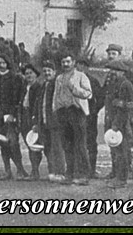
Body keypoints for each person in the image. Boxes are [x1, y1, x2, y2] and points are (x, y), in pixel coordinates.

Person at [52, 54, 93, 185]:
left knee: (80, 144)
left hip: (77, 112)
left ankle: (84, 174)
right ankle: (70, 173)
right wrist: (56, 109)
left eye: (68, 61)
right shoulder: (59, 78)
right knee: (67, 145)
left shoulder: (81, 76)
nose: (65, 64)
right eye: (63, 61)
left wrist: (74, 89)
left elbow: (88, 93)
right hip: (63, 113)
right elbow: (56, 95)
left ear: (73, 62)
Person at [0, 54, 27, 180]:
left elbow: (17, 98)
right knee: (2, 143)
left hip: (10, 116)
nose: (0, 65)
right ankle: (7, 171)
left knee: (13, 142)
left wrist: (13, 114)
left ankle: (20, 169)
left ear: (7, 63)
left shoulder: (14, 78)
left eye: (3, 63)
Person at [102, 61, 133, 189]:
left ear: (121, 72)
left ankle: (122, 178)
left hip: (122, 123)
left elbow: (126, 108)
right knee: (116, 150)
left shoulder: (125, 85)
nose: (112, 72)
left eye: (114, 70)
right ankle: (117, 175)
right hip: (114, 120)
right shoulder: (113, 84)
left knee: (123, 151)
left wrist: (117, 124)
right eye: (111, 70)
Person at [39, 61, 66, 183]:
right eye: (44, 71)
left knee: (57, 147)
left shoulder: (57, 84)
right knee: (47, 147)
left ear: (54, 72)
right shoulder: (43, 85)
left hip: (55, 122)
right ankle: (52, 171)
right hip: (44, 121)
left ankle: (60, 172)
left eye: (49, 71)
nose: (47, 73)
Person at [80, 59, 105, 179]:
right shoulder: (73, 80)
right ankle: (80, 169)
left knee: (91, 142)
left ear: (87, 67)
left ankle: (92, 169)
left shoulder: (93, 81)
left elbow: (101, 98)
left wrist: (94, 110)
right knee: (78, 141)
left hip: (90, 116)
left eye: (83, 66)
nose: (80, 69)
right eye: (78, 66)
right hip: (77, 116)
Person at [19, 64, 44, 180]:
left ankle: (35, 171)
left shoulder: (39, 87)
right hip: (24, 116)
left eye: (31, 73)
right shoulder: (24, 87)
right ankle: (34, 171)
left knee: (34, 144)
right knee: (29, 144)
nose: (28, 75)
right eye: (26, 73)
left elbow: (38, 106)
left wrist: (36, 121)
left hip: (33, 117)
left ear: (36, 74)